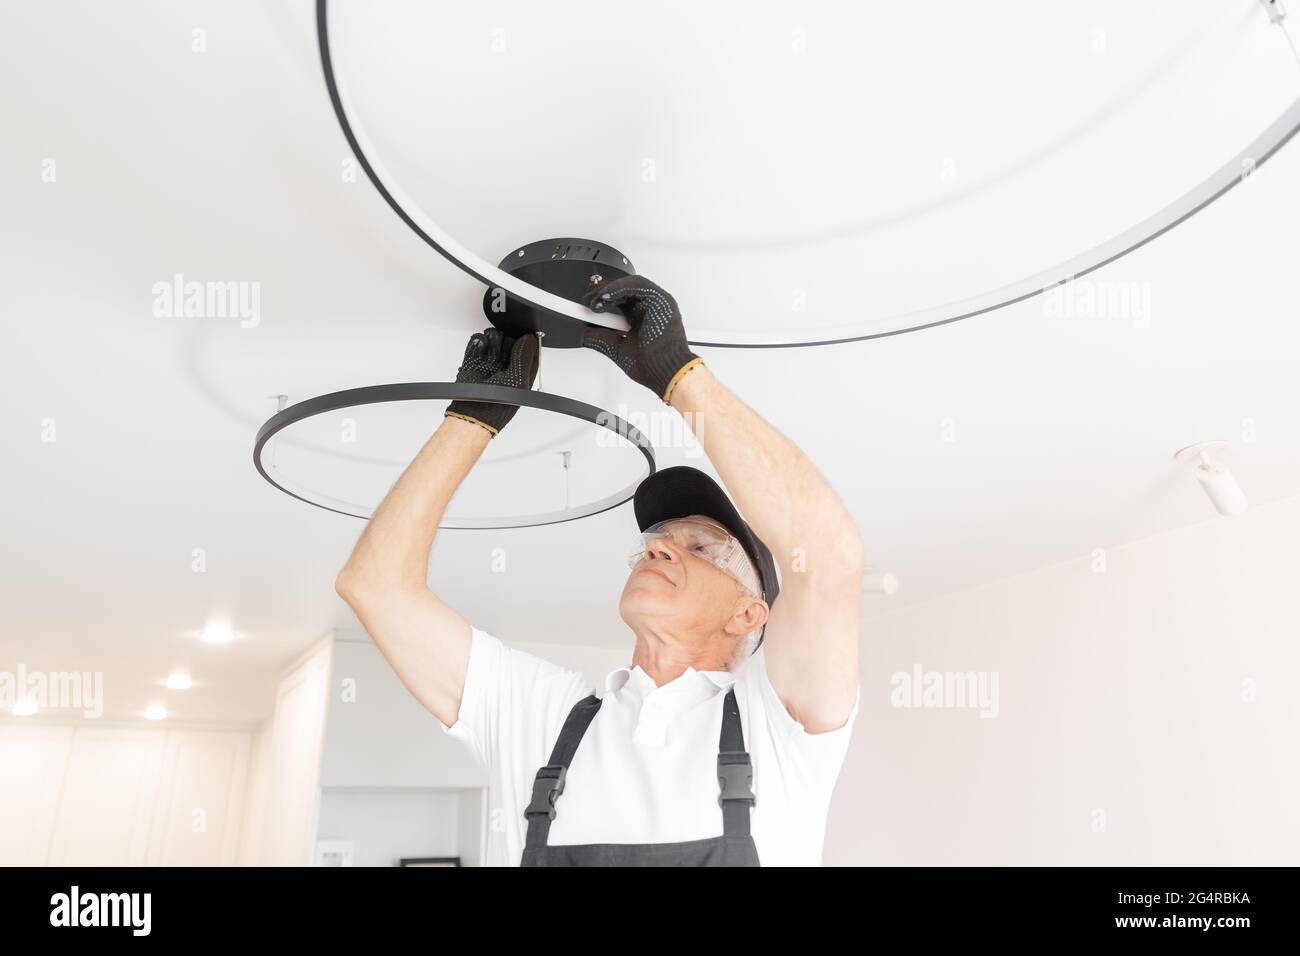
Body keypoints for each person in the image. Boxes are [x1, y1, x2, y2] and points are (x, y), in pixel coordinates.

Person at [335, 276, 863, 865]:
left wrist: (679, 375)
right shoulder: (543, 716)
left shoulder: (778, 724)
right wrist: (470, 420)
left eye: (702, 548)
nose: (660, 548)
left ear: (748, 614)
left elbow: (829, 556)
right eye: (659, 539)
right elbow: (374, 587)